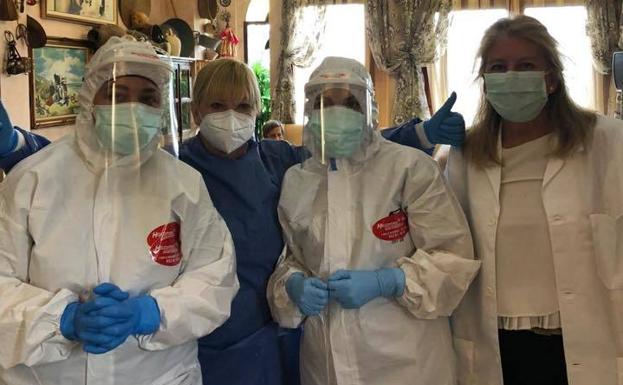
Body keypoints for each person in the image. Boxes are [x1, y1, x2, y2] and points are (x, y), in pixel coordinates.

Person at [0, 55, 465, 385]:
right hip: (186, 340)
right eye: (217, 106)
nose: (230, 117)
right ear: (194, 110)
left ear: (258, 111)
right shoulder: (171, 168)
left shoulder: (281, 162)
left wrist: (418, 134)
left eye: (243, 106)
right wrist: (19, 147)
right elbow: (92, 174)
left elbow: (351, 159)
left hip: (271, 335)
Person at [0, 37, 239, 385]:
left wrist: (151, 313)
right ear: (89, 101)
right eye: (116, 94)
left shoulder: (183, 185)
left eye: (147, 99)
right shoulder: (33, 180)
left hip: (161, 376)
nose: (132, 109)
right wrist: (60, 319)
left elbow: (215, 277)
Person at [266, 56, 480, 385]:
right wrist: (293, 285)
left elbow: (451, 257)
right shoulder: (298, 179)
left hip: (405, 363)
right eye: (325, 103)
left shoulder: (409, 169)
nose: (336, 113)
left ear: (370, 110)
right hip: (326, 362)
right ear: (310, 111)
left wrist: (389, 282)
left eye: (350, 103)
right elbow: (294, 257)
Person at [445, 15, 623, 385]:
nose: (511, 76)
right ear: (486, 82)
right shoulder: (466, 154)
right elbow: (449, 245)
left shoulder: (606, 141)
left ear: (552, 78)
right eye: (498, 67)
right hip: (495, 340)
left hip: (584, 337)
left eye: (525, 66)